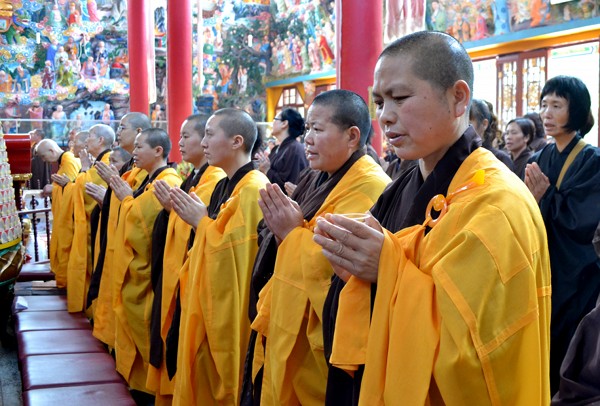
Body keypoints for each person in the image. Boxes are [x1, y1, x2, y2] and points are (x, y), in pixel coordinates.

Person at [314, 31, 551, 404]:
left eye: (400, 98)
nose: (385, 117)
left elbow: (478, 351)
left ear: (458, 98)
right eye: (380, 102)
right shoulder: (402, 185)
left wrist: (386, 269)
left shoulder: (497, 203)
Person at [247, 90, 391, 405]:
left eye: (318, 129)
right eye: (308, 128)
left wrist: (292, 232)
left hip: (322, 351)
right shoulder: (318, 177)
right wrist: (288, 228)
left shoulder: (370, 185)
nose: (307, 139)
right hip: (289, 326)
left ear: (352, 136)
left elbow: (339, 269)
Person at [170, 108, 269, 405]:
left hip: (232, 310)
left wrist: (201, 223)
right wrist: (200, 223)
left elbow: (234, 259)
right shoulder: (226, 185)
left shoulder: (252, 189)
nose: (203, 143)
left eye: (210, 135)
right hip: (207, 301)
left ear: (237, 141)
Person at [525, 75, 600, 394]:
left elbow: (582, 219)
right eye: (544, 105)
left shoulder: (591, 160)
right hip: (544, 263)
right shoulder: (539, 158)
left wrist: (546, 196)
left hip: (576, 272)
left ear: (577, 109)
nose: (547, 113)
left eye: (557, 105)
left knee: (569, 338)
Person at [146, 114, 226, 405]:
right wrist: (170, 212)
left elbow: (216, 238)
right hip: (177, 274)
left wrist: (191, 219)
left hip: (194, 281)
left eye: (186, 136)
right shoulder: (195, 178)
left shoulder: (215, 180)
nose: (179, 142)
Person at [110, 128, 182, 399]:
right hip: (137, 267)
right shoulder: (149, 179)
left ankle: (150, 388)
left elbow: (142, 226)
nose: (134, 152)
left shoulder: (168, 181)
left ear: (158, 151)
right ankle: (138, 381)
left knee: (146, 327)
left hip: (149, 273)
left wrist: (126, 200)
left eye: (140, 147)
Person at [90, 113, 151, 349]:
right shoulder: (132, 168)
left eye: (122, 127)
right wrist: (110, 199)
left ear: (139, 133)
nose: (118, 131)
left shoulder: (154, 175)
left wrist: (121, 198)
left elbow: (143, 218)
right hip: (115, 245)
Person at [66, 124, 114, 314]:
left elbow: (87, 192)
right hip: (94, 222)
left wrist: (84, 168)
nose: (86, 140)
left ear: (100, 140)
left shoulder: (107, 161)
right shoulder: (100, 161)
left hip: (99, 223)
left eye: (90, 137)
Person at [36, 138, 81, 288]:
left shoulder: (69, 161)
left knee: (66, 248)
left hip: (69, 219)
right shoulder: (64, 162)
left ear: (51, 151)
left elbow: (73, 191)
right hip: (64, 217)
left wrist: (53, 189)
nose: (44, 160)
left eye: (43, 156)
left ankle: (68, 283)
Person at [256, 108, 308, 192]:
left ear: (284, 123)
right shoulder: (278, 148)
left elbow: (289, 186)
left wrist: (267, 170)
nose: (272, 123)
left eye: (275, 119)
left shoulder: (295, 149)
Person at [469, 98, 514, 171]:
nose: (462, 128)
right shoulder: (456, 156)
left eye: (468, 123)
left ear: (484, 124)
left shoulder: (500, 159)